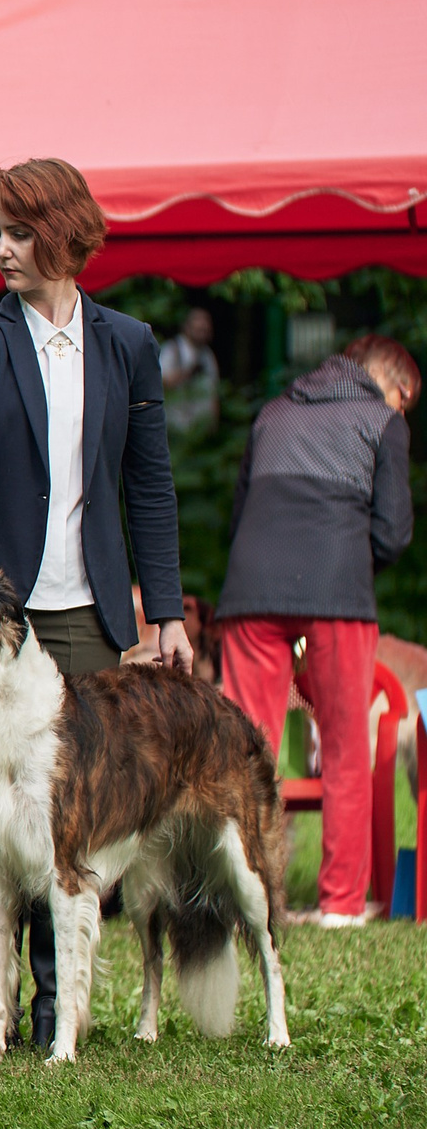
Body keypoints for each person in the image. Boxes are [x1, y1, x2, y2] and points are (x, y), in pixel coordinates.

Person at [0, 157, 188, 1052]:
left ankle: (61, 1008)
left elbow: (149, 486)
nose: (1, 249)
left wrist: (167, 612)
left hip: (89, 614)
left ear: (65, 233)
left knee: (70, 818)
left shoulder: (128, 343)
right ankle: (2, 1006)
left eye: (18, 232)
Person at [215, 334, 416, 927]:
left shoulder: (272, 413)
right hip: (336, 590)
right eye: (406, 401)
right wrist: (344, 567)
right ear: (392, 384)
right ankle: (340, 904)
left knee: (244, 750)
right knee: (347, 746)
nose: (404, 413)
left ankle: (242, 899)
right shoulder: (381, 420)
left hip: (251, 588)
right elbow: (394, 532)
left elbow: (239, 516)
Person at [159, 305, 221, 434]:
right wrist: (188, 373)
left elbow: (213, 391)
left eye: (205, 329)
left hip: (200, 430)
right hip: (174, 428)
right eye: (199, 329)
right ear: (187, 327)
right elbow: (160, 381)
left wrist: (214, 421)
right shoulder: (172, 350)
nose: (203, 332)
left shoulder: (208, 355)